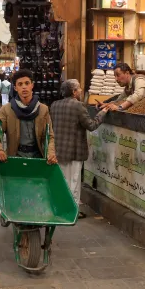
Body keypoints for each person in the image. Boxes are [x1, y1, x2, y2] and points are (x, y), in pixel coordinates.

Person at [50, 79, 108, 217]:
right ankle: (73, 211)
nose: (81, 91)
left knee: (62, 181)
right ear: (74, 92)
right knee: (74, 182)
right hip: (74, 151)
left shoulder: (54, 105)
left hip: (59, 150)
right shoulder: (78, 105)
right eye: (79, 89)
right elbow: (91, 125)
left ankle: (60, 208)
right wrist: (103, 112)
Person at [0, 69, 57, 163]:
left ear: (32, 85)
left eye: (27, 83)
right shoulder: (6, 110)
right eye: (20, 84)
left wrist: (51, 153)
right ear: (15, 88)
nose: (24, 87)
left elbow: (50, 135)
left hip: (38, 159)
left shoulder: (43, 109)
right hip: (15, 158)